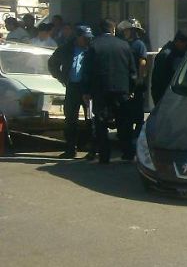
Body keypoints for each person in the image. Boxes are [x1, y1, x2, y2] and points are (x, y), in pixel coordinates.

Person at [82, 19, 137, 163]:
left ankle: (104, 155)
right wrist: (131, 89)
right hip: (121, 89)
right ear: (113, 30)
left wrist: (86, 91)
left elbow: (87, 70)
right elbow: (132, 70)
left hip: (100, 90)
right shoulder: (124, 45)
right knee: (124, 122)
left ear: (100, 30)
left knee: (101, 123)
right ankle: (128, 152)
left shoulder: (93, 45)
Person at [49, 25, 94, 159]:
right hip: (72, 88)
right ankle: (70, 149)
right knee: (70, 119)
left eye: (89, 38)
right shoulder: (66, 49)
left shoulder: (92, 49)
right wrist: (61, 77)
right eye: (84, 38)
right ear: (77, 37)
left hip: (88, 90)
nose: (87, 40)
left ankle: (92, 149)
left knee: (91, 118)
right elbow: (52, 63)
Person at [117, 19, 148, 140]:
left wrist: (140, 79)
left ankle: (137, 136)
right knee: (126, 111)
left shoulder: (139, 44)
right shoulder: (124, 44)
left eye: (127, 30)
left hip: (135, 83)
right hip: (125, 82)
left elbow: (142, 62)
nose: (125, 33)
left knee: (138, 112)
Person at [151, 29, 187, 104]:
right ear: (179, 41)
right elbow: (162, 79)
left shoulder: (177, 52)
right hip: (164, 94)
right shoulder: (168, 54)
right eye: (186, 45)